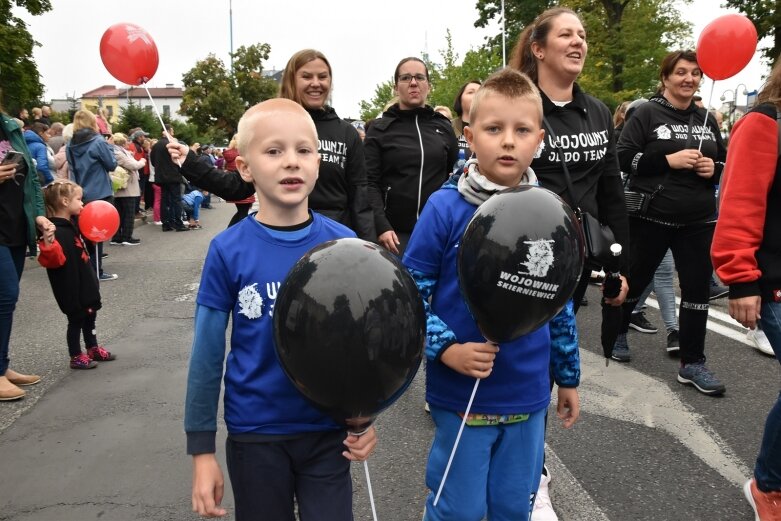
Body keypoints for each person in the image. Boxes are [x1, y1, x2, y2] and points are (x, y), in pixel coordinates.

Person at [172, 98, 377, 520]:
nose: (291, 163)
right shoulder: (228, 249)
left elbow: (361, 346)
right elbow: (207, 357)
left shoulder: (343, 244)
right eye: (273, 151)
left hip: (327, 433)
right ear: (244, 168)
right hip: (256, 435)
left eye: (303, 150)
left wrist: (363, 417)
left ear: (318, 162)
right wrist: (201, 451)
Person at [403, 69, 579, 521]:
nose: (507, 142)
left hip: (527, 394)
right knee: (457, 509)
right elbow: (410, 296)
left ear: (538, 138)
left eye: (521, 131)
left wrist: (568, 375)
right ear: (469, 135)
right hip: (463, 395)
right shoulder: (444, 207)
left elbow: (556, 301)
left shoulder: (548, 211)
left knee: (511, 507)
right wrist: (447, 351)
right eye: (494, 128)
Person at [510, 8, 628, 518]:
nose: (578, 42)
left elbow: (611, 190)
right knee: (529, 365)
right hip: (525, 257)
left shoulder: (599, 112)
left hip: (579, 259)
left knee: (554, 361)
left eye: (582, 35)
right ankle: (531, 476)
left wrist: (620, 262)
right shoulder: (518, 102)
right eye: (566, 34)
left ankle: (527, 461)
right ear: (538, 48)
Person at [174, 49, 376, 241]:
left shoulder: (346, 132)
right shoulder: (269, 125)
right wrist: (191, 162)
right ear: (290, 80)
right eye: (307, 76)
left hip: (333, 242)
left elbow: (360, 196)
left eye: (322, 77)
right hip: (278, 236)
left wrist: (368, 248)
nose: (316, 83)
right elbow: (237, 186)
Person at [615, 49, 727, 394]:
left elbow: (724, 165)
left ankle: (693, 363)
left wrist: (713, 171)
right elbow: (622, 157)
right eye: (680, 72)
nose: (688, 79)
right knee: (635, 280)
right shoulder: (647, 113)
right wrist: (668, 159)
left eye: (695, 73)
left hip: (698, 220)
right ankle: (617, 331)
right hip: (652, 216)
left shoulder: (707, 119)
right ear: (665, 77)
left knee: (696, 292)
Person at [711, 57, 781, 520]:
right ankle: (768, 488)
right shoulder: (764, 122)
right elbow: (739, 202)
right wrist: (740, 277)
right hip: (774, 284)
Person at [365, 57, 459, 255]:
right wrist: (381, 225)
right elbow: (369, 182)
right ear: (396, 87)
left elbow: (452, 176)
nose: (413, 83)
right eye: (406, 78)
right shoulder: (380, 129)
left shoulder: (443, 126)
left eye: (419, 77)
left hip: (436, 232)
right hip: (394, 236)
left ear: (429, 86)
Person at [0, 110, 53, 400]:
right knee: (5, 295)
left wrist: (39, 215)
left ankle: (3, 366)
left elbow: (31, 178)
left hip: (16, 225)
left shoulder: (11, 128)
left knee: (7, 302)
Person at [37, 179, 116, 369]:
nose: (82, 203)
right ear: (65, 201)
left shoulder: (73, 225)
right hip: (71, 286)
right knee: (76, 320)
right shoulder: (54, 230)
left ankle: (92, 347)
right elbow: (53, 260)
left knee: (90, 314)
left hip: (84, 281)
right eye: (79, 199)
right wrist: (48, 243)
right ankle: (75, 355)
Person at [66, 109, 118, 281]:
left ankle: (85, 270)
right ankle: (97, 271)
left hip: (80, 193)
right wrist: (109, 146)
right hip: (100, 192)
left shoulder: (70, 145)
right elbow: (111, 165)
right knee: (98, 233)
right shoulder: (98, 142)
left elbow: (72, 169)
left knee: (83, 234)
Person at [150, 125, 189, 232]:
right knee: (176, 200)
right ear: (167, 131)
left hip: (161, 177)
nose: (173, 133)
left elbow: (153, 162)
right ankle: (178, 223)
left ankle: (166, 223)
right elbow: (179, 159)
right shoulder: (171, 145)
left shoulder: (156, 145)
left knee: (164, 200)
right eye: (172, 131)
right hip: (173, 176)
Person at [109, 133, 146, 245]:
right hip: (126, 188)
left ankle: (117, 237)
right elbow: (133, 165)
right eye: (126, 141)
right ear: (122, 142)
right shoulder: (119, 153)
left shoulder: (118, 152)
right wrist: (142, 162)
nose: (128, 143)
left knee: (119, 214)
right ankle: (126, 237)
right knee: (128, 213)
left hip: (122, 187)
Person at [222, 135, 255, 227]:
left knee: (241, 211)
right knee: (243, 212)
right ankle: (234, 232)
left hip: (234, 183)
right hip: (244, 183)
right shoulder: (242, 153)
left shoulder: (227, 154)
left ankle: (231, 231)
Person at [452, 80, 481, 158]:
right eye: (471, 92)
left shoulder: (492, 129)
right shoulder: (448, 127)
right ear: (460, 99)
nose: (477, 95)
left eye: (480, 92)